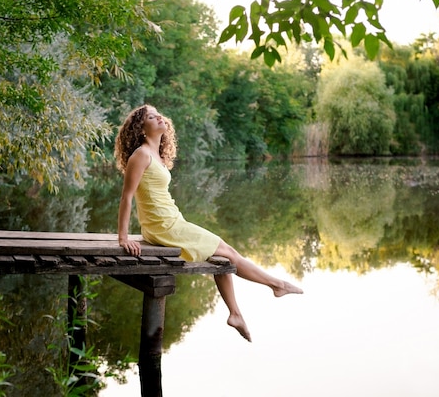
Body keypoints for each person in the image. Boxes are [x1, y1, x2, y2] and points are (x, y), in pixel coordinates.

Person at [114, 104, 303, 342]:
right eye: (151, 117)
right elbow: (127, 197)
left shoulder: (156, 155)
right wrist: (123, 238)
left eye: (158, 113)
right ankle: (277, 284)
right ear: (142, 129)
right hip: (164, 226)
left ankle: (235, 314)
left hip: (172, 221)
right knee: (229, 252)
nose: (159, 117)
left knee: (223, 256)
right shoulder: (141, 155)